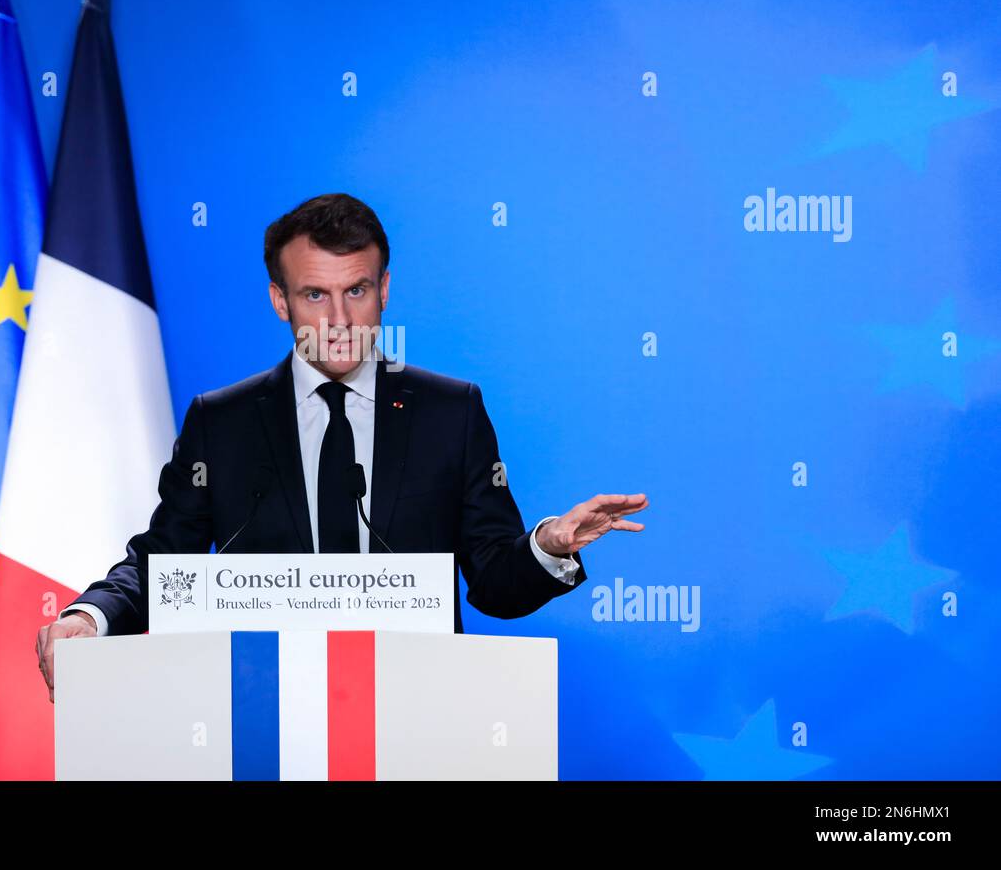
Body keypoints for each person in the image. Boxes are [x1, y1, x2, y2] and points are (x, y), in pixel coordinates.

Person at [36, 192, 647, 701]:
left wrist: (546, 546)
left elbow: (492, 583)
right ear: (280, 300)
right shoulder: (219, 423)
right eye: (314, 295)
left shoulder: (450, 412)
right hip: (263, 721)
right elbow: (163, 563)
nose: (338, 319)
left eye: (356, 291)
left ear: (384, 290)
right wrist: (89, 617)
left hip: (421, 719)